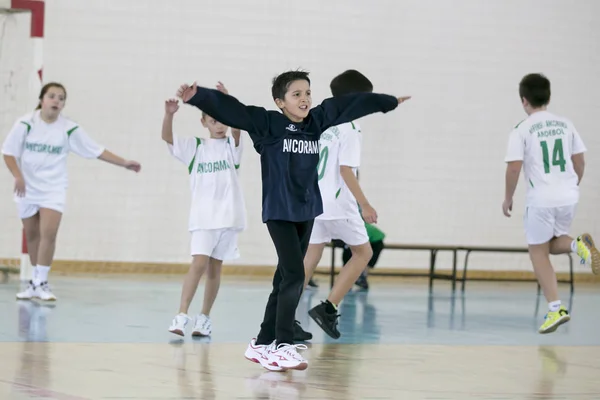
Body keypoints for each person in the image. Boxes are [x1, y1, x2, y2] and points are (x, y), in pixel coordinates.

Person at [176, 71, 410, 371]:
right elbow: (235, 111)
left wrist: (387, 102)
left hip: (307, 210)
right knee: (295, 275)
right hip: (279, 212)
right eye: (296, 94)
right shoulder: (268, 124)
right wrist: (199, 97)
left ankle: (262, 342)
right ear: (280, 101)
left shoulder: (316, 122)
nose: (305, 99)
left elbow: (349, 106)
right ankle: (283, 344)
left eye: (307, 93)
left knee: (283, 278)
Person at [1, 82, 141, 302]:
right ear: (42, 100)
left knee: (49, 233)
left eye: (61, 98)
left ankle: (41, 282)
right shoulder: (25, 124)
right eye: (52, 96)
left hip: (53, 188)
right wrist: (18, 175)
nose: (56, 101)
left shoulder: (69, 128)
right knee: (32, 235)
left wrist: (124, 162)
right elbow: (8, 153)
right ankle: (34, 282)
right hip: (27, 187)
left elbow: (96, 149)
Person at [503, 73, 599, 334]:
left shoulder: (521, 129)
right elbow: (580, 160)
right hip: (569, 194)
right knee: (553, 243)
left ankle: (555, 308)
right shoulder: (566, 124)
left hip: (542, 198)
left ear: (524, 100)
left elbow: (514, 168)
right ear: (548, 97)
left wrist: (508, 198)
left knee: (537, 251)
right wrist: (572, 183)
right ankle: (578, 246)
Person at [302, 70, 381, 339]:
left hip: (316, 202)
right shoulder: (351, 128)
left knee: (309, 258)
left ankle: (285, 315)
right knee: (363, 254)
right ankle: (329, 307)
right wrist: (365, 205)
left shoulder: (325, 126)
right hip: (339, 205)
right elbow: (347, 171)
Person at [163, 82, 245, 338]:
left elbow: (238, 127)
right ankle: (181, 315)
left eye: (222, 119)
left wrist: (227, 101)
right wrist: (169, 115)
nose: (219, 125)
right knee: (198, 264)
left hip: (229, 218)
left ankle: (204, 318)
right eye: (213, 120)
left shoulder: (233, 147)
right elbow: (168, 139)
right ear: (204, 122)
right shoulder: (196, 147)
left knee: (214, 269)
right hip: (203, 218)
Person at [340, 221, 386, 290]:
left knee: (365, 260)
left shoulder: (358, 230)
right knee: (350, 257)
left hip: (375, 241)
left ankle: (361, 278)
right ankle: (356, 278)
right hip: (369, 238)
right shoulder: (352, 228)